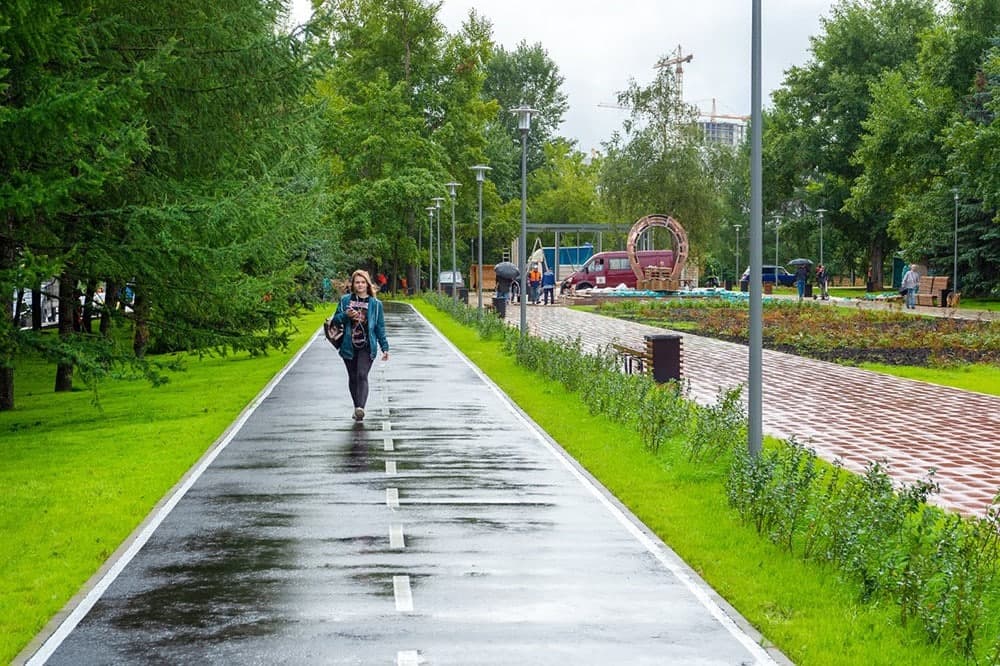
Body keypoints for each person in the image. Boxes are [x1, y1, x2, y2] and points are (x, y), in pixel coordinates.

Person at [332, 270, 390, 421]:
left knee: (362, 375)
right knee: (352, 377)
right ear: (353, 284)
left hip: (367, 345)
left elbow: (380, 327)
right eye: (357, 282)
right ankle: (357, 407)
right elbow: (336, 320)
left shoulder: (376, 304)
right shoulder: (345, 300)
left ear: (367, 284)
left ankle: (360, 408)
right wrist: (346, 316)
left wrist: (385, 347)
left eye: (363, 282)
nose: (360, 285)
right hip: (348, 345)